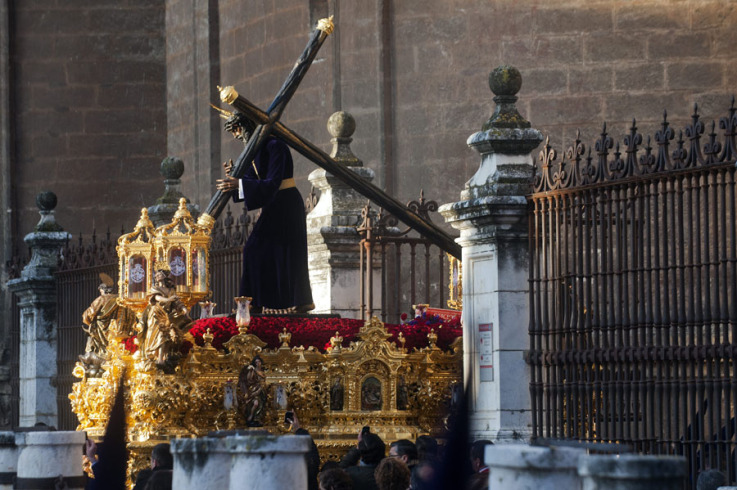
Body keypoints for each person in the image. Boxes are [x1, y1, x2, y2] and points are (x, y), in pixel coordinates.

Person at [215, 111, 314, 313]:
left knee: (272, 250)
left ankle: (259, 302)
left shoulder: (275, 146)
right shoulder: (256, 151)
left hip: (285, 203)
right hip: (275, 204)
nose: (235, 135)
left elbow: (272, 182)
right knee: (268, 251)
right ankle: (258, 301)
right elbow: (253, 181)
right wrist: (235, 177)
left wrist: (240, 183)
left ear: (246, 126)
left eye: (236, 129)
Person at [238, 355, 266, 426]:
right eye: (256, 362)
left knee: (261, 404)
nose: (258, 363)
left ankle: (257, 418)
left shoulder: (263, 372)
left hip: (262, 390)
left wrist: (263, 386)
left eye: (259, 362)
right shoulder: (253, 371)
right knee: (255, 403)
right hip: (255, 389)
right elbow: (249, 379)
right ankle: (250, 416)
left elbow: (264, 381)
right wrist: (250, 371)